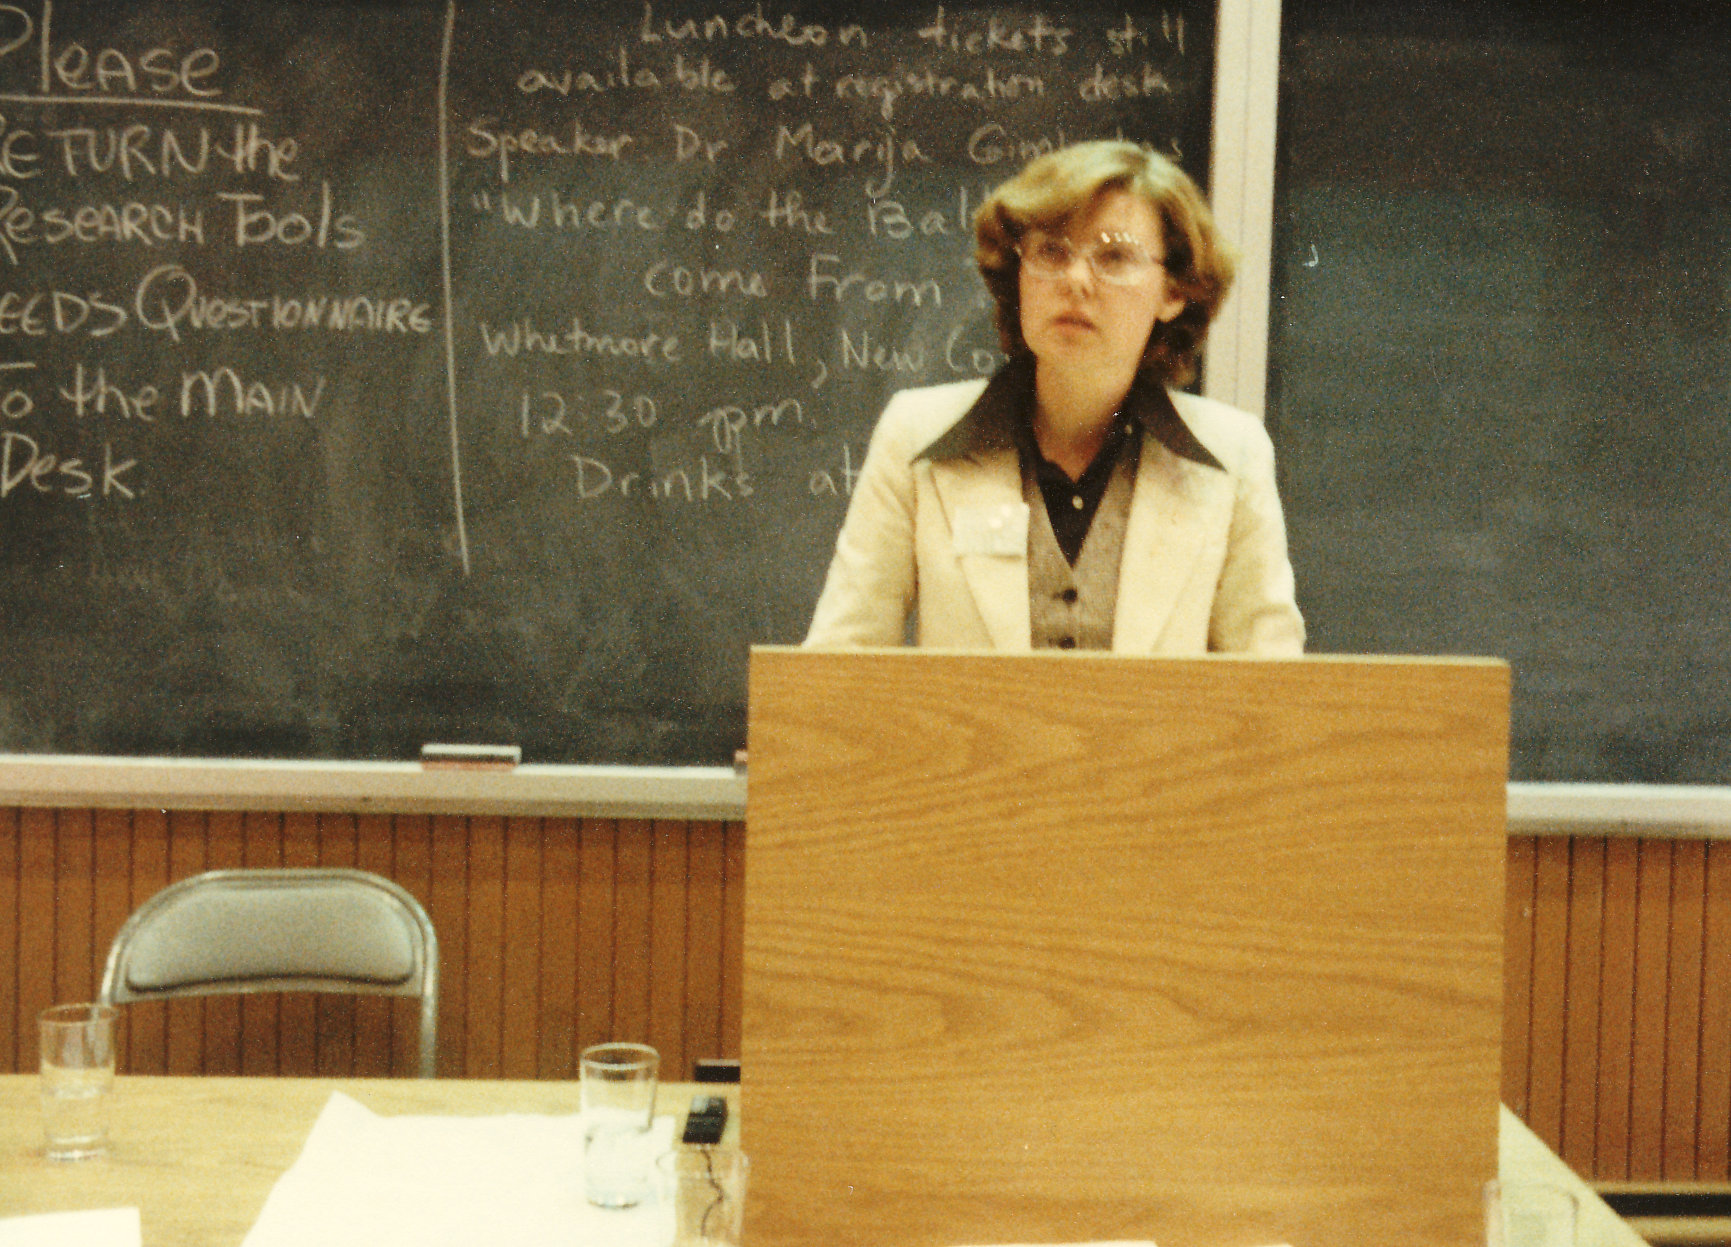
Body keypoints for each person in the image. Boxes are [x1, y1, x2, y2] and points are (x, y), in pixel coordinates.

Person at [804, 140, 1304, 656]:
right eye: (1051, 252)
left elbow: (1273, 685)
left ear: (1174, 292)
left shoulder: (1233, 454)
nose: (1076, 280)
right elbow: (837, 664)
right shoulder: (914, 433)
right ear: (1017, 273)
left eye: (1114, 256)